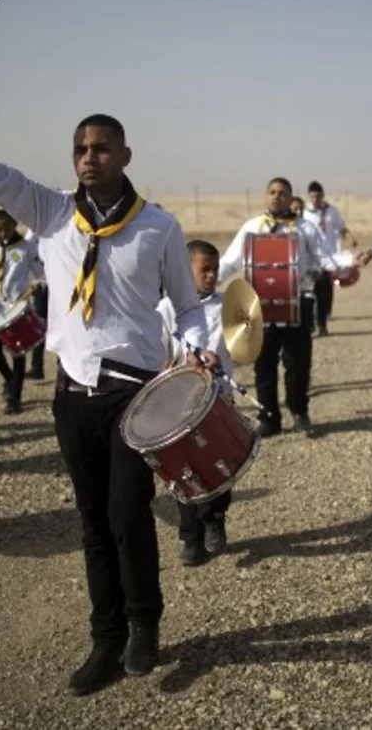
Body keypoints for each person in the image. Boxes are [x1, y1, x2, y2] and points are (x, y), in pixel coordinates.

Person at [0, 22, 215, 696]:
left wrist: (196, 347)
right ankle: (106, 637)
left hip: (136, 396)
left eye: (101, 148)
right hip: (72, 395)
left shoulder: (159, 226)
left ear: (125, 154)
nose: (88, 158)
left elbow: (188, 306)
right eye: (80, 149)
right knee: (92, 522)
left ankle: (144, 624)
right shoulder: (51, 212)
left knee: (127, 515)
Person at [219, 178, 372, 438]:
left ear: (291, 198)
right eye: (272, 192)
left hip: (297, 304)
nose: (276, 196)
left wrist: (351, 260)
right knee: (264, 365)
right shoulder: (251, 227)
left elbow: (325, 259)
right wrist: (205, 280)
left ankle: (300, 412)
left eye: (282, 193)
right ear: (265, 195)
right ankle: (269, 418)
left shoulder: (305, 228)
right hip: (260, 307)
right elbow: (231, 261)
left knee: (298, 363)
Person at [157, 240, 234, 566]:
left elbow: (243, 346)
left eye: (215, 269)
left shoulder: (229, 306)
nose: (212, 275)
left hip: (218, 399)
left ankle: (214, 518)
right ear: (185, 272)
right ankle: (190, 536)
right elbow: (158, 356)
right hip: (180, 405)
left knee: (220, 465)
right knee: (183, 472)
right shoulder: (165, 309)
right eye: (205, 270)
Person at [0, 209, 45, 414]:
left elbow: (41, 274)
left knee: (17, 352)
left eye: (6, 229)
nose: (2, 233)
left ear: (15, 225)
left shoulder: (27, 248)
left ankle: (15, 398)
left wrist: (37, 284)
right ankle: (10, 379)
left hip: (17, 309)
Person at [301, 181, 355, 337]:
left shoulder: (332, 211)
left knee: (325, 292)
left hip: (330, 257)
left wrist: (350, 238)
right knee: (310, 292)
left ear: (322, 195)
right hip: (311, 258)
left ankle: (323, 324)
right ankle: (311, 324)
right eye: (312, 196)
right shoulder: (304, 213)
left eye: (318, 196)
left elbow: (342, 228)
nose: (315, 200)